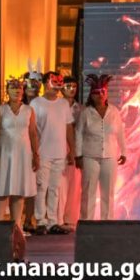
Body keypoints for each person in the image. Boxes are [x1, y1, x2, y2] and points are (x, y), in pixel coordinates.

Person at [0, 77, 39, 229]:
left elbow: (33, 133)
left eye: (19, 88)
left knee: (19, 190)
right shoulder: (1, 110)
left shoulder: (29, 110)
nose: (17, 91)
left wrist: (35, 154)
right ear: (7, 91)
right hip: (5, 152)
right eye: (13, 88)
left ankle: (16, 227)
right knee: (2, 190)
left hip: (24, 153)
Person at [30, 71, 75, 234]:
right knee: (41, 187)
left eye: (58, 84)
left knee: (55, 188)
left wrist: (71, 149)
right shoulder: (36, 103)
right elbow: (32, 130)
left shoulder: (63, 104)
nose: (56, 88)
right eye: (53, 83)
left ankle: (53, 221)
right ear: (45, 84)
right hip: (42, 152)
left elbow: (68, 127)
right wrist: (34, 153)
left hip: (60, 153)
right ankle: (40, 221)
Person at [75, 74, 126, 220]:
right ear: (91, 95)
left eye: (103, 92)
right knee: (88, 191)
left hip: (110, 156)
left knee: (108, 193)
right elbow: (78, 134)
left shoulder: (114, 111)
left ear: (106, 93)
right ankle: (86, 222)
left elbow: (120, 133)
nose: (100, 95)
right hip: (89, 156)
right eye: (96, 93)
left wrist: (124, 152)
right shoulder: (86, 113)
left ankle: (107, 222)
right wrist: (78, 156)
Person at [21, 63, 42, 233]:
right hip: (18, 148)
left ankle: (29, 219)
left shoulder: (42, 104)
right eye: (29, 83)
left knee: (33, 186)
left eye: (36, 84)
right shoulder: (15, 105)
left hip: (38, 148)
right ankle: (16, 220)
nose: (32, 87)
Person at [59, 75, 82, 228]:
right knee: (59, 185)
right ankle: (58, 219)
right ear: (62, 88)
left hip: (76, 148)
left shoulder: (81, 108)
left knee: (74, 184)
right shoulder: (57, 106)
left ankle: (71, 219)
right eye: (68, 86)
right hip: (59, 146)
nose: (71, 89)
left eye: (74, 86)